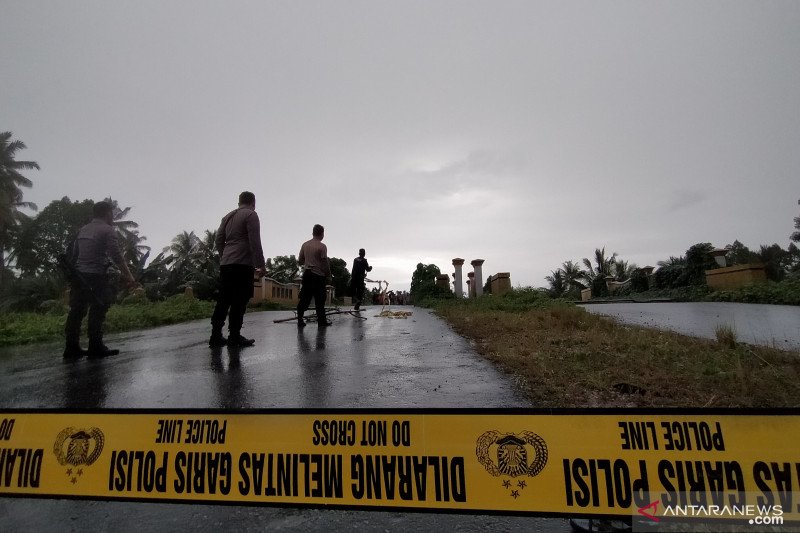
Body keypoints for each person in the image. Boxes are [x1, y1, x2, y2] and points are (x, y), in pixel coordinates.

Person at [63, 200, 137, 359]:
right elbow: (117, 256)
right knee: (98, 308)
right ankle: (95, 346)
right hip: (96, 276)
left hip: (79, 275)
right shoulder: (108, 230)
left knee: (77, 311)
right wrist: (130, 277)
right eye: (112, 213)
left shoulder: (83, 229)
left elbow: (74, 252)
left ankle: (71, 347)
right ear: (108, 213)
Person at [209, 191, 266, 347]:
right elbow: (255, 241)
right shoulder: (251, 215)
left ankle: (215, 336)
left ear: (239, 202)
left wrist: (225, 256)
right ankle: (234, 336)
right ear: (253, 202)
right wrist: (261, 264)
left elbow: (218, 240)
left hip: (227, 263)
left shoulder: (227, 217)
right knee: (239, 300)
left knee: (223, 299)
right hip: (242, 264)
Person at [297, 224, 331, 327]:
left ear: (313, 233)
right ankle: (322, 322)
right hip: (318, 276)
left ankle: (300, 320)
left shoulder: (305, 245)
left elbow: (300, 261)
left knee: (304, 297)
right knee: (320, 300)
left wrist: (308, 262)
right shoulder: (322, 246)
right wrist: (328, 274)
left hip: (307, 274)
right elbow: (325, 263)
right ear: (322, 234)